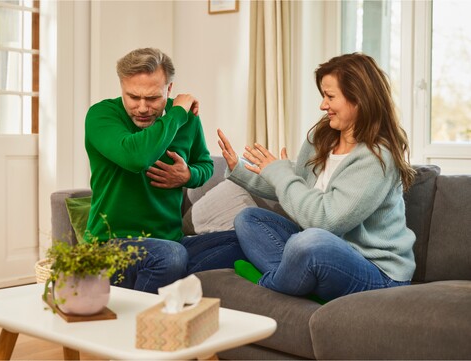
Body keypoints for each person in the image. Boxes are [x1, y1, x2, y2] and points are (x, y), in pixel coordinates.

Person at [217, 52, 416, 302]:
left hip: (377, 272)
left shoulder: (377, 157)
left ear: (359, 99)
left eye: (330, 96)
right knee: (248, 219)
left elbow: (326, 220)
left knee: (310, 241)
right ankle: (301, 282)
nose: (323, 105)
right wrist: (240, 170)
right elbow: (295, 187)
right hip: (323, 254)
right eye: (324, 96)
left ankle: (271, 281)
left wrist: (279, 171)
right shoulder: (322, 137)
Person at [84, 47, 244, 293]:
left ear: (169, 90)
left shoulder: (187, 120)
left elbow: (205, 164)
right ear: (121, 87)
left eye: (152, 98)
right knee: (170, 257)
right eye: (133, 97)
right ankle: (142, 321)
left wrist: (188, 175)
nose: (142, 107)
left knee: (245, 239)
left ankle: (165, 275)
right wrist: (177, 112)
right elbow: (136, 157)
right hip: (109, 244)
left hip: (169, 242)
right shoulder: (102, 115)